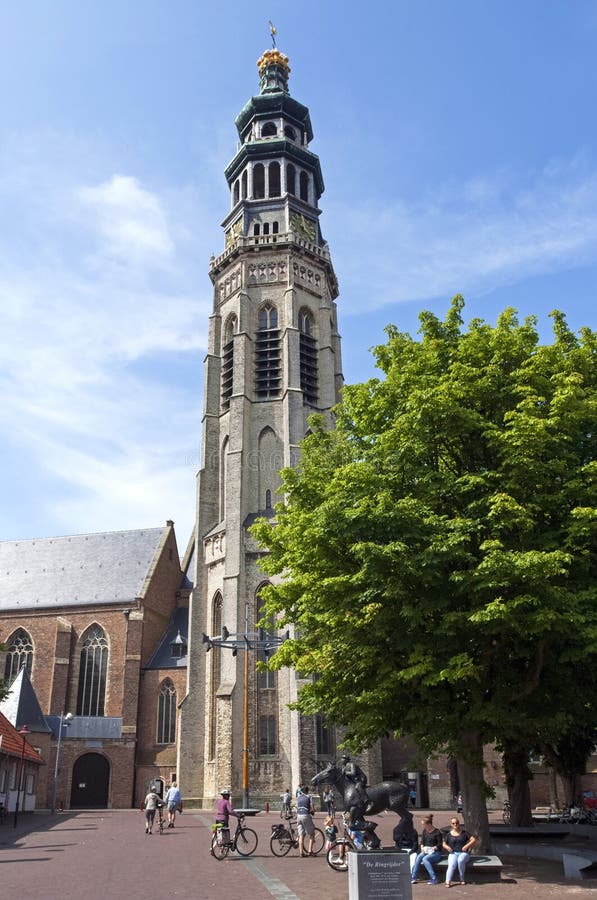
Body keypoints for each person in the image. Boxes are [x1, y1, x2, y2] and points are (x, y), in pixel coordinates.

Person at [442, 816, 476, 887]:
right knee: (452, 865)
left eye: (456, 823)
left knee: (460, 860)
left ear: (459, 824)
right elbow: (444, 843)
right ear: (451, 824)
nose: (455, 825)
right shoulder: (448, 834)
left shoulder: (464, 833)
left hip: (463, 853)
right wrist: (447, 847)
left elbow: (473, 840)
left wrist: (466, 846)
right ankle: (448, 881)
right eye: (453, 823)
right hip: (453, 853)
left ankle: (462, 878)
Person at [410, 814, 444, 885]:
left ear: (428, 824)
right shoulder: (425, 831)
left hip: (436, 853)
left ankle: (434, 878)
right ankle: (413, 876)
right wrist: (422, 847)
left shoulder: (437, 832)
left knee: (425, 859)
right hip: (426, 851)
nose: (423, 826)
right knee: (419, 857)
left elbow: (440, 845)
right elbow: (422, 842)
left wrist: (434, 848)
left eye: (423, 824)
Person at [340, 753, 368, 819]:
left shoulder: (351, 765)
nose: (342, 760)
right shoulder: (344, 767)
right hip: (354, 781)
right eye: (342, 758)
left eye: (343, 759)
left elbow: (353, 773)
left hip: (360, 779)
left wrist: (346, 773)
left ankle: (365, 799)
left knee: (357, 787)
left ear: (346, 760)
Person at [296, 785, 315, 857]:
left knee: (301, 835)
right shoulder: (309, 797)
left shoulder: (299, 797)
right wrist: (313, 812)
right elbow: (312, 807)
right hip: (305, 815)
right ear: (307, 791)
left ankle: (301, 853)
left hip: (298, 815)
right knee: (312, 834)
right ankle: (310, 851)